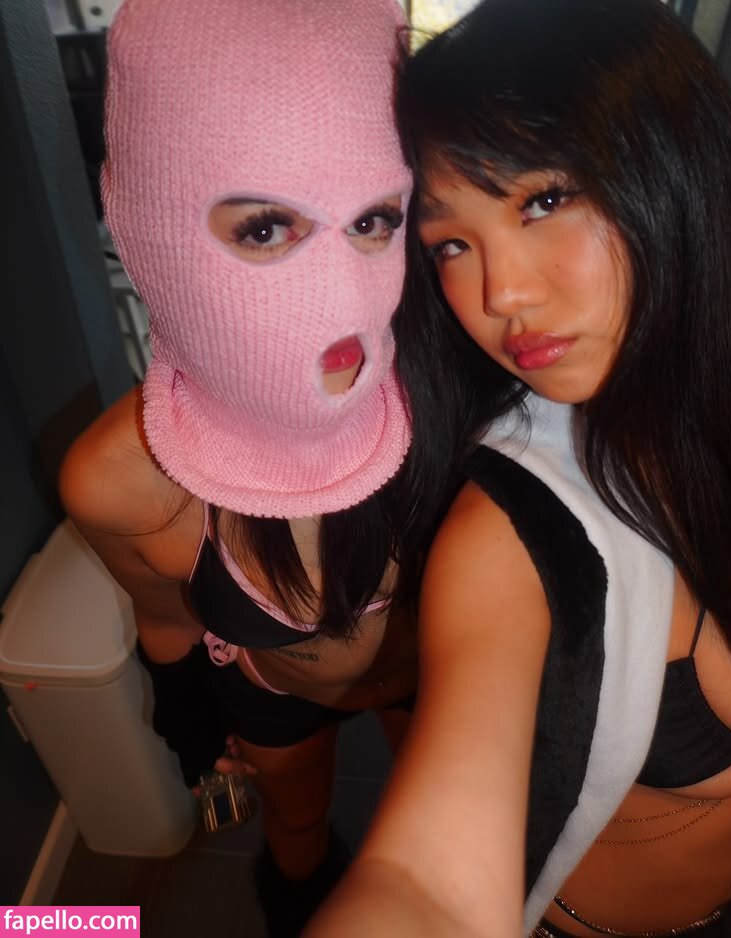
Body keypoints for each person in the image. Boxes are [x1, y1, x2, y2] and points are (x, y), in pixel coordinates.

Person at [304, 0, 731, 935]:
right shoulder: (509, 531)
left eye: (544, 200)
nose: (500, 293)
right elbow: (426, 888)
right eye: (450, 245)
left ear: (676, 168)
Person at [58, 1, 416, 935]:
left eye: (374, 219)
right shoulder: (119, 479)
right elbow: (166, 616)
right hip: (275, 699)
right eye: (264, 229)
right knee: (296, 830)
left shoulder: (452, 394)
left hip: (428, 677)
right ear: (153, 230)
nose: (340, 296)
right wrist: (189, 722)